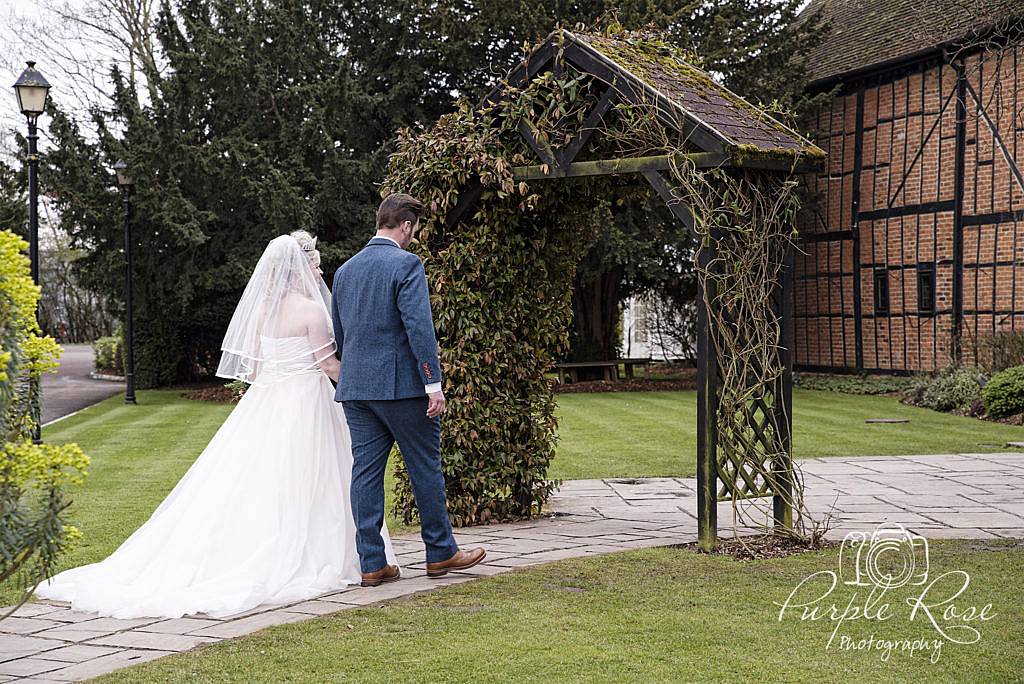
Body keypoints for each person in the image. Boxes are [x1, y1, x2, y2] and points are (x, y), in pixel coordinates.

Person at [36, 233, 393, 618]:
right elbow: (327, 365)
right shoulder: (311, 311)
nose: (319, 270)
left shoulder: (263, 312)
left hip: (268, 400)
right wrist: (362, 383)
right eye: (315, 264)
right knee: (316, 475)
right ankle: (317, 550)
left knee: (261, 478)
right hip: (307, 399)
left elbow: (255, 370)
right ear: (299, 270)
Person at [332, 193, 485, 587]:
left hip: (357, 389)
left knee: (364, 473)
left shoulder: (345, 271)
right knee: (424, 468)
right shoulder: (406, 264)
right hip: (402, 390)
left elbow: (340, 334)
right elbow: (420, 328)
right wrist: (433, 383)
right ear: (406, 226)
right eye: (414, 229)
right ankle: (440, 553)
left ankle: (372, 563)